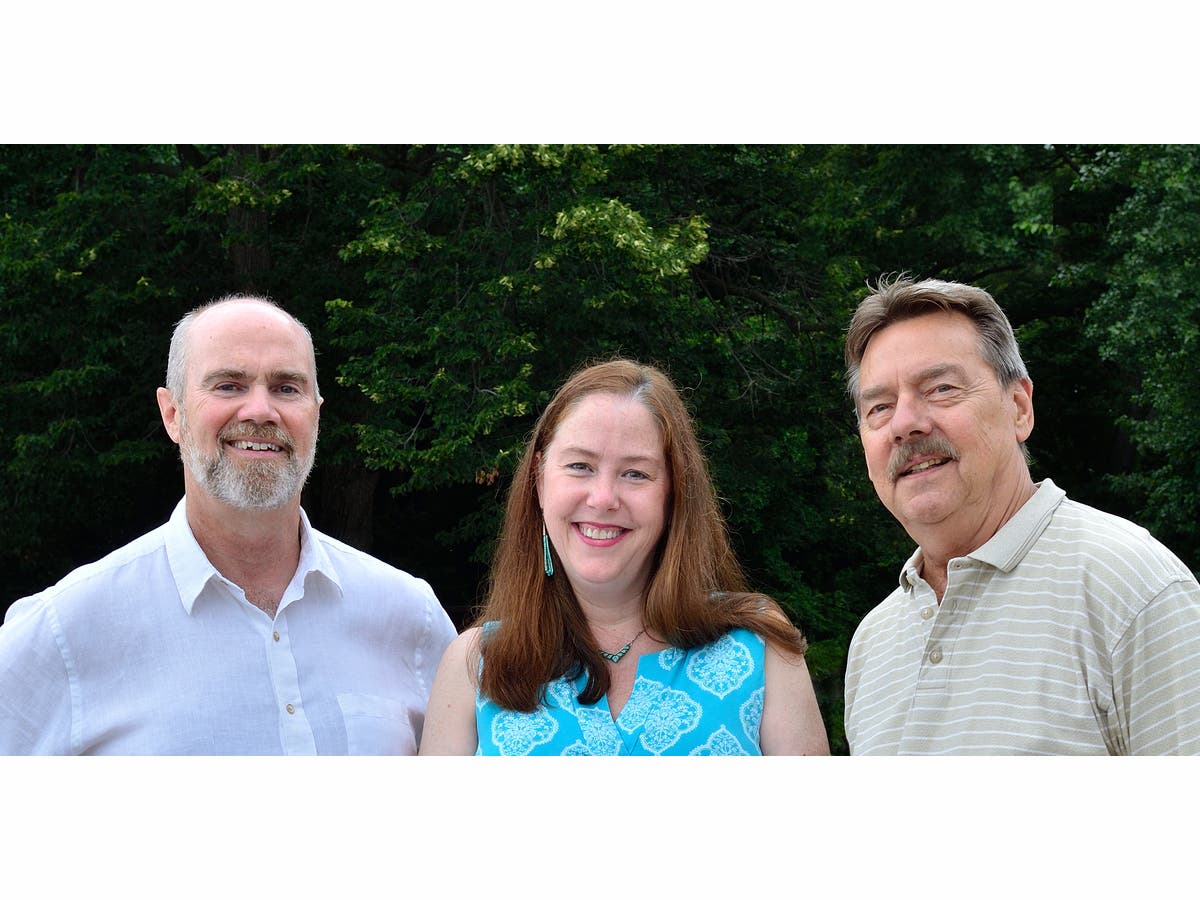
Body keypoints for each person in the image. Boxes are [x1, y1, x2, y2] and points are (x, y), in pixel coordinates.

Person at [0, 295, 456, 754]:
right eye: (228, 386)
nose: (259, 410)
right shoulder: (65, 631)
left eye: (286, 388)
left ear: (316, 415)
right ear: (172, 414)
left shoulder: (410, 618)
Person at [842, 275, 1200, 754]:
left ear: (1019, 409)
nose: (905, 424)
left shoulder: (1132, 589)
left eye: (941, 388)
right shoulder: (873, 643)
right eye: (879, 408)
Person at [419, 359, 829, 756]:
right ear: (539, 482)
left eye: (635, 473)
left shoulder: (759, 649)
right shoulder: (475, 665)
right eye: (580, 466)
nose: (603, 499)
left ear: (673, 494)